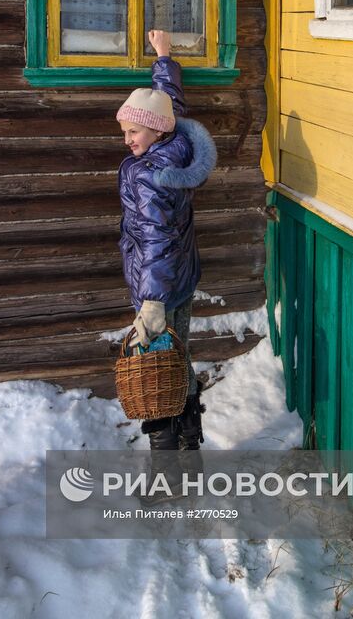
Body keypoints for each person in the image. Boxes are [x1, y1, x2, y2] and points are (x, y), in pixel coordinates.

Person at [116, 28, 217, 454]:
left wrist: (153, 303)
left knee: (155, 364)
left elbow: (156, 238)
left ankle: (165, 465)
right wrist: (164, 57)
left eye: (133, 133)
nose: (127, 141)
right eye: (124, 133)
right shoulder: (174, 143)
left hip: (157, 286)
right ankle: (191, 443)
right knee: (180, 357)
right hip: (182, 278)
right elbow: (168, 102)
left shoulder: (148, 178)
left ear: (155, 133)